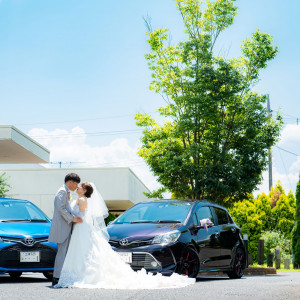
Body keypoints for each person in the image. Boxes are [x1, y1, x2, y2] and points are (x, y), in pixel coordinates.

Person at [55, 182, 195, 289]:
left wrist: (71, 216)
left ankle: (80, 275)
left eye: (80, 187)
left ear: (85, 190)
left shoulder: (82, 200)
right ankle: (78, 274)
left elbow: (82, 216)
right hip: (80, 228)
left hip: (81, 227)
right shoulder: (80, 199)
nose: (77, 188)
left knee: (84, 251)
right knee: (82, 251)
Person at [48, 173, 82, 286]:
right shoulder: (62, 191)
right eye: (75, 184)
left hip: (65, 227)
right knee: (61, 253)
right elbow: (60, 208)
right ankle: (56, 278)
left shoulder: (66, 191)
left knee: (64, 253)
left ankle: (59, 277)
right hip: (62, 227)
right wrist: (72, 218)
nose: (76, 186)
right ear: (70, 182)